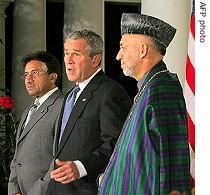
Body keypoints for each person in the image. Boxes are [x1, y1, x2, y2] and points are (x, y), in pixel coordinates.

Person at [98, 13, 191, 194]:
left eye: (123, 47)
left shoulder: (161, 89)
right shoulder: (149, 88)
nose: (118, 56)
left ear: (142, 50)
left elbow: (171, 155)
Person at [46, 29, 132, 195]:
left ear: (95, 59)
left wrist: (80, 167)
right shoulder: (71, 94)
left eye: (76, 54)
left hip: (86, 189)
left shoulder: (110, 92)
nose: (68, 60)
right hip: (58, 189)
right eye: (66, 53)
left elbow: (116, 143)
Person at [8, 51, 64, 195]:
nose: (28, 79)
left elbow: (61, 158)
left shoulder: (63, 106)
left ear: (52, 77)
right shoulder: (28, 111)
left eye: (35, 73)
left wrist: (36, 192)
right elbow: (17, 157)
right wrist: (14, 190)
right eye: (26, 74)